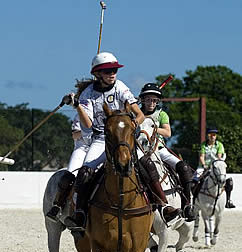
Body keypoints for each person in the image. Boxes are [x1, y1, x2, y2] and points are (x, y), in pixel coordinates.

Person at [61, 52, 180, 230]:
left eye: (114, 70)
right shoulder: (88, 94)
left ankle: (164, 206)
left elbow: (139, 115)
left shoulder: (120, 87)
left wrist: (131, 126)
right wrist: (77, 105)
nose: (113, 74)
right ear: (97, 74)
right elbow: (88, 125)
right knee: (85, 172)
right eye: (108, 71)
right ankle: (80, 214)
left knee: (147, 163)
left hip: (126, 137)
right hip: (102, 139)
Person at [139, 83, 195, 221]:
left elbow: (168, 132)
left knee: (184, 167)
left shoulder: (162, 114)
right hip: (139, 150)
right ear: (142, 100)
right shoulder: (136, 114)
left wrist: (151, 128)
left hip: (159, 149)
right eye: (148, 99)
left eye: (154, 100)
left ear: (157, 101)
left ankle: (187, 204)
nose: (151, 103)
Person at [46, 107, 93, 222]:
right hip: (82, 149)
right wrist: (90, 130)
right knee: (69, 175)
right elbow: (75, 135)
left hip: (100, 148)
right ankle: (58, 206)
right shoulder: (81, 114)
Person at [193, 127, 235, 208]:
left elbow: (219, 157)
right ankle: (193, 201)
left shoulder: (219, 145)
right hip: (203, 167)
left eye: (214, 134)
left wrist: (214, 166)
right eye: (210, 134)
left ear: (216, 136)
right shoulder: (203, 145)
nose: (212, 136)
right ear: (207, 136)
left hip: (215, 167)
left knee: (229, 181)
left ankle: (228, 201)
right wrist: (204, 165)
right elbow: (201, 156)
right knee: (194, 180)